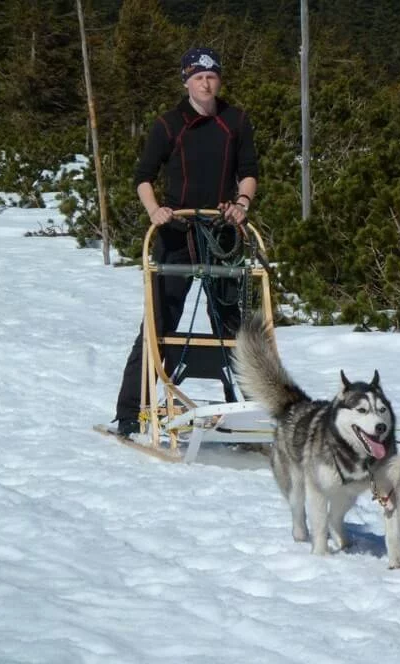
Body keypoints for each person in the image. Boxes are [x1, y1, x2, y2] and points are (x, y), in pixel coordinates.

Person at [113, 46, 259, 436]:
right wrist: (155, 211)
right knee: (161, 321)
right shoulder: (168, 124)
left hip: (221, 231)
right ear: (186, 81)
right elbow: (144, 175)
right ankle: (132, 411)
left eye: (211, 76)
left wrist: (243, 203)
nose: (205, 83)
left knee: (231, 325)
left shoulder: (236, 121)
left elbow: (248, 171)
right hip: (177, 233)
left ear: (219, 80)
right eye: (198, 77)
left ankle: (247, 410)